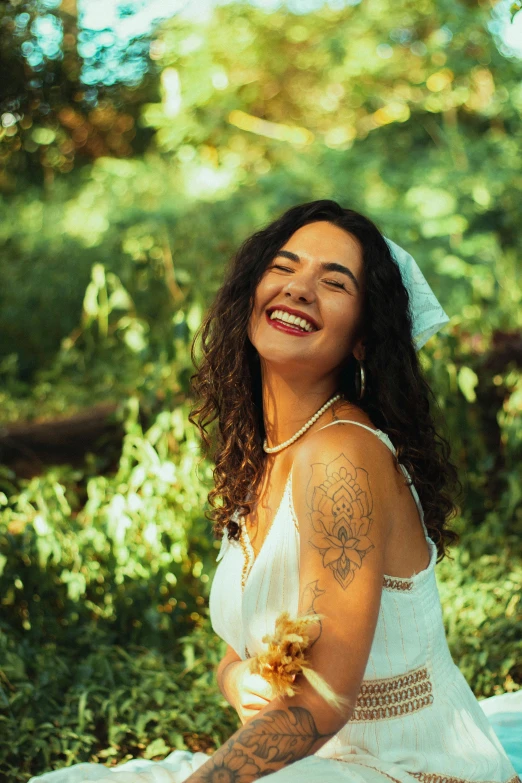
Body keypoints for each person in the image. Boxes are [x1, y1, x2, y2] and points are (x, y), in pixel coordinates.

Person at [29, 201, 521, 783]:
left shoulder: (342, 454)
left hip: (406, 769)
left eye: (334, 282)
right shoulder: (261, 457)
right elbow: (245, 652)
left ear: (365, 338)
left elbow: (321, 702)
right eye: (284, 268)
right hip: (311, 761)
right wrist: (234, 678)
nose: (299, 289)